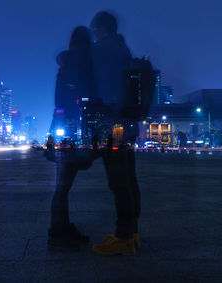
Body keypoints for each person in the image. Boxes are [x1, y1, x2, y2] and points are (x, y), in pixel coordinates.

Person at [89, 11, 141, 255]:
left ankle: (123, 238)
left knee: (119, 181)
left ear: (102, 28)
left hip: (114, 123)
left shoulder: (104, 49)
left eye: (95, 29)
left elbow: (107, 89)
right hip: (127, 122)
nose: (93, 33)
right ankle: (132, 233)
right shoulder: (123, 48)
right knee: (129, 178)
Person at [48, 26, 96, 250]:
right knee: (63, 185)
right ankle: (59, 232)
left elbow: (58, 102)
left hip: (65, 131)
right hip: (79, 129)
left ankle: (61, 229)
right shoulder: (87, 66)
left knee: (62, 185)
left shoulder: (64, 68)